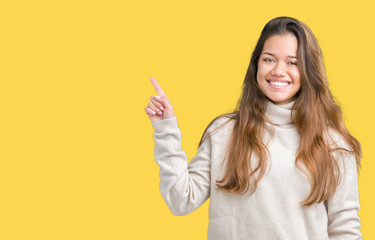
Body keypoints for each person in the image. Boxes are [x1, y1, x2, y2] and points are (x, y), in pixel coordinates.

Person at [144, 16, 362, 240]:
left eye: (292, 62)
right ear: (256, 64)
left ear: (309, 71)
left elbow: (345, 229)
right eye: (269, 59)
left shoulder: (333, 144)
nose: (278, 70)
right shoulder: (224, 132)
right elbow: (181, 200)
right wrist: (165, 129)